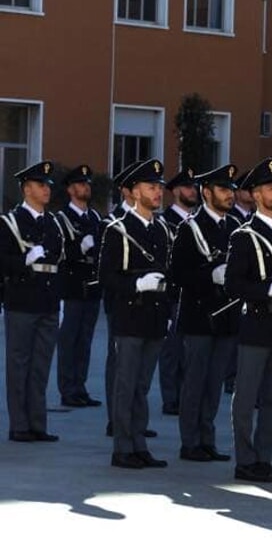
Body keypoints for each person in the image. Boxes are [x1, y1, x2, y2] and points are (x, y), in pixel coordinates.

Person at [224, 158, 272, 483]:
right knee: (246, 397)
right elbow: (233, 284)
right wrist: (265, 289)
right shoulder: (244, 236)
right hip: (257, 325)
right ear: (256, 195)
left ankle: (264, 458)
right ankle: (245, 460)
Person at [99, 159, 172, 468]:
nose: (157, 193)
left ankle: (139, 443)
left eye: (159, 187)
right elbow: (106, 276)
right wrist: (137, 283)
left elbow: (169, 274)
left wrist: (167, 311)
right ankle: (122, 448)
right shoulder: (118, 229)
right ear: (134, 191)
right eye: (151, 187)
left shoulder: (162, 229)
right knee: (126, 383)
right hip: (129, 317)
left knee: (142, 385)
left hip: (155, 318)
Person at [169, 164, 240, 463]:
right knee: (195, 381)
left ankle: (207, 438)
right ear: (206, 192)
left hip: (225, 317)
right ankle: (190, 442)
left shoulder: (234, 225)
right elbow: (177, 274)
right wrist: (210, 275)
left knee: (214, 384)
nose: (230, 195)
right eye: (223, 189)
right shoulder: (190, 227)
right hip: (199, 316)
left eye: (231, 189)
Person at [1, 160, 65, 443]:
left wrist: (59, 300)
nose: (46, 190)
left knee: (41, 365)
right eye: (41, 185)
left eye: (48, 185)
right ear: (27, 189)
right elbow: (2, 261)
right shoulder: (10, 222)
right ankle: (19, 426)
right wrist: (24, 260)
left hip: (48, 301)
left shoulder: (53, 222)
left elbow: (60, 263)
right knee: (19, 365)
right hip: (22, 301)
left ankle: (38, 423)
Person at [53, 164, 103, 409]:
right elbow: (58, 253)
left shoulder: (95, 217)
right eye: (81, 184)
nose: (86, 188)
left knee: (85, 341)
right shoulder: (61, 219)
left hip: (91, 289)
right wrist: (79, 248)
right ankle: (67, 389)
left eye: (88, 184)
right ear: (71, 189)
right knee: (68, 341)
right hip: (71, 288)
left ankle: (80, 387)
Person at [158, 167, 198, 417]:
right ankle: (171, 397)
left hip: (193, 295)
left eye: (194, 187)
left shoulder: (196, 223)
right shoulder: (165, 223)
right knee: (172, 351)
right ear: (175, 191)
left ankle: (185, 395)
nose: (192, 191)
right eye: (187, 187)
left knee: (189, 352)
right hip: (172, 296)